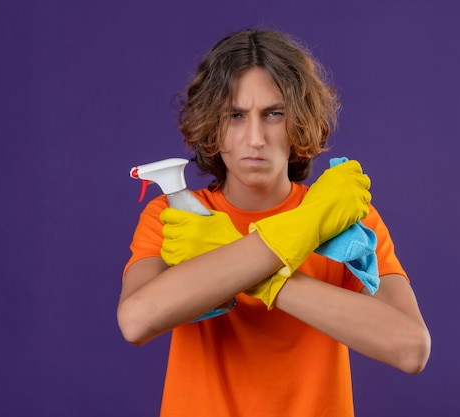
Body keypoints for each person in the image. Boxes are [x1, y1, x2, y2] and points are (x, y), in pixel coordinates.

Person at [117, 28, 431, 416]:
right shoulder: (175, 218)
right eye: (235, 115)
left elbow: (410, 348)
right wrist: (295, 236)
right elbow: (136, 320)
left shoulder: (345, 223)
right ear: (211, 124)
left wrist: (246, 262)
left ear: (301, 120)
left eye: (273, 114)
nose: (254, 138)